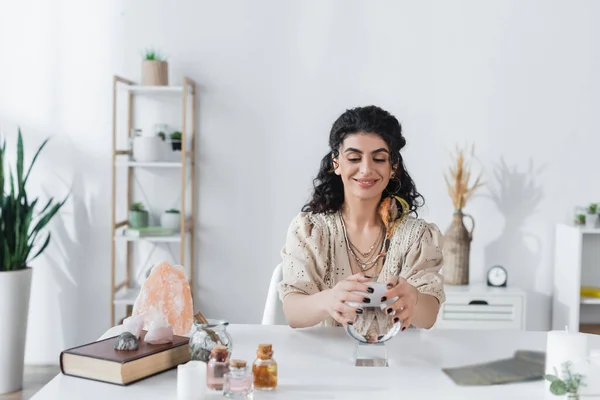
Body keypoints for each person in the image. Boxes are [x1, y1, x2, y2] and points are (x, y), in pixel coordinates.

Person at [277, 105, 445, 340]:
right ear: (336, 162)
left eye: (379, 158)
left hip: (400, 365)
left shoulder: (417, 235)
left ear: (393, 166)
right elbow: (293, 312)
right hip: (329, 363)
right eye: (354, 158)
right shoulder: (310, 230)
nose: (366, 169)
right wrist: (329, 300)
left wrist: (414, 300)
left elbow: (428, 318)